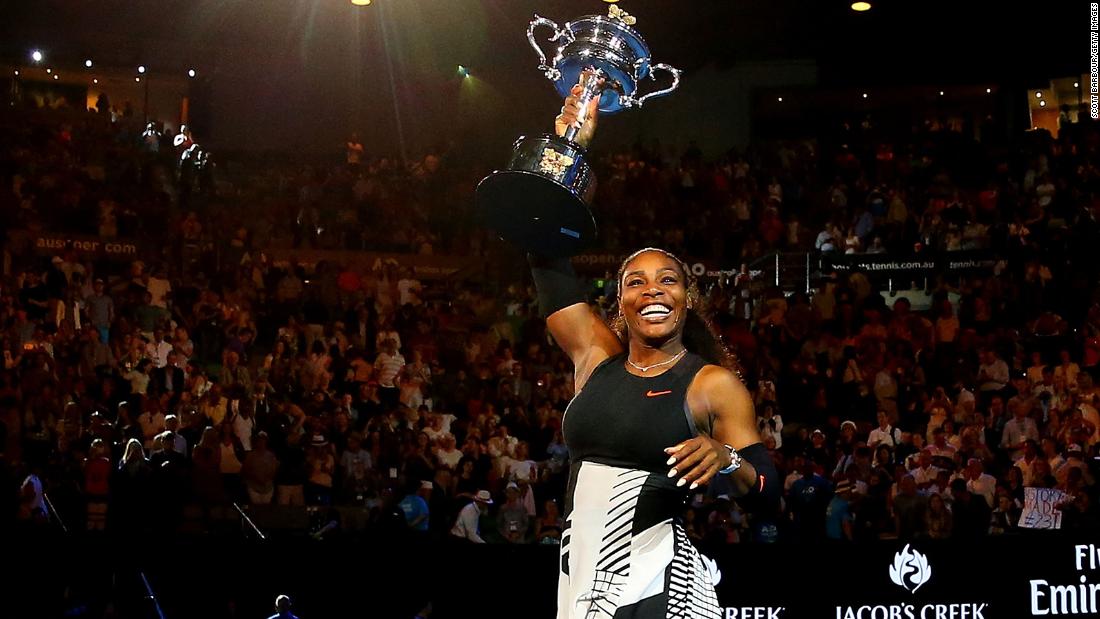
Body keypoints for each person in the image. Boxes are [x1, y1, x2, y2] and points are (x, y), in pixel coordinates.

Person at [537, 77, 779, 619]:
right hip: (580, 576)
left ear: (686, 297)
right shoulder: (594, 358)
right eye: (636, 282)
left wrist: (727, 457)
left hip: (657, 581)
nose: (652, 291)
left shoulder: (709, 384)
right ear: (618, 300)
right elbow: (545, 258)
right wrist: (569, 146)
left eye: (667, 280)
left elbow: (767, 489)